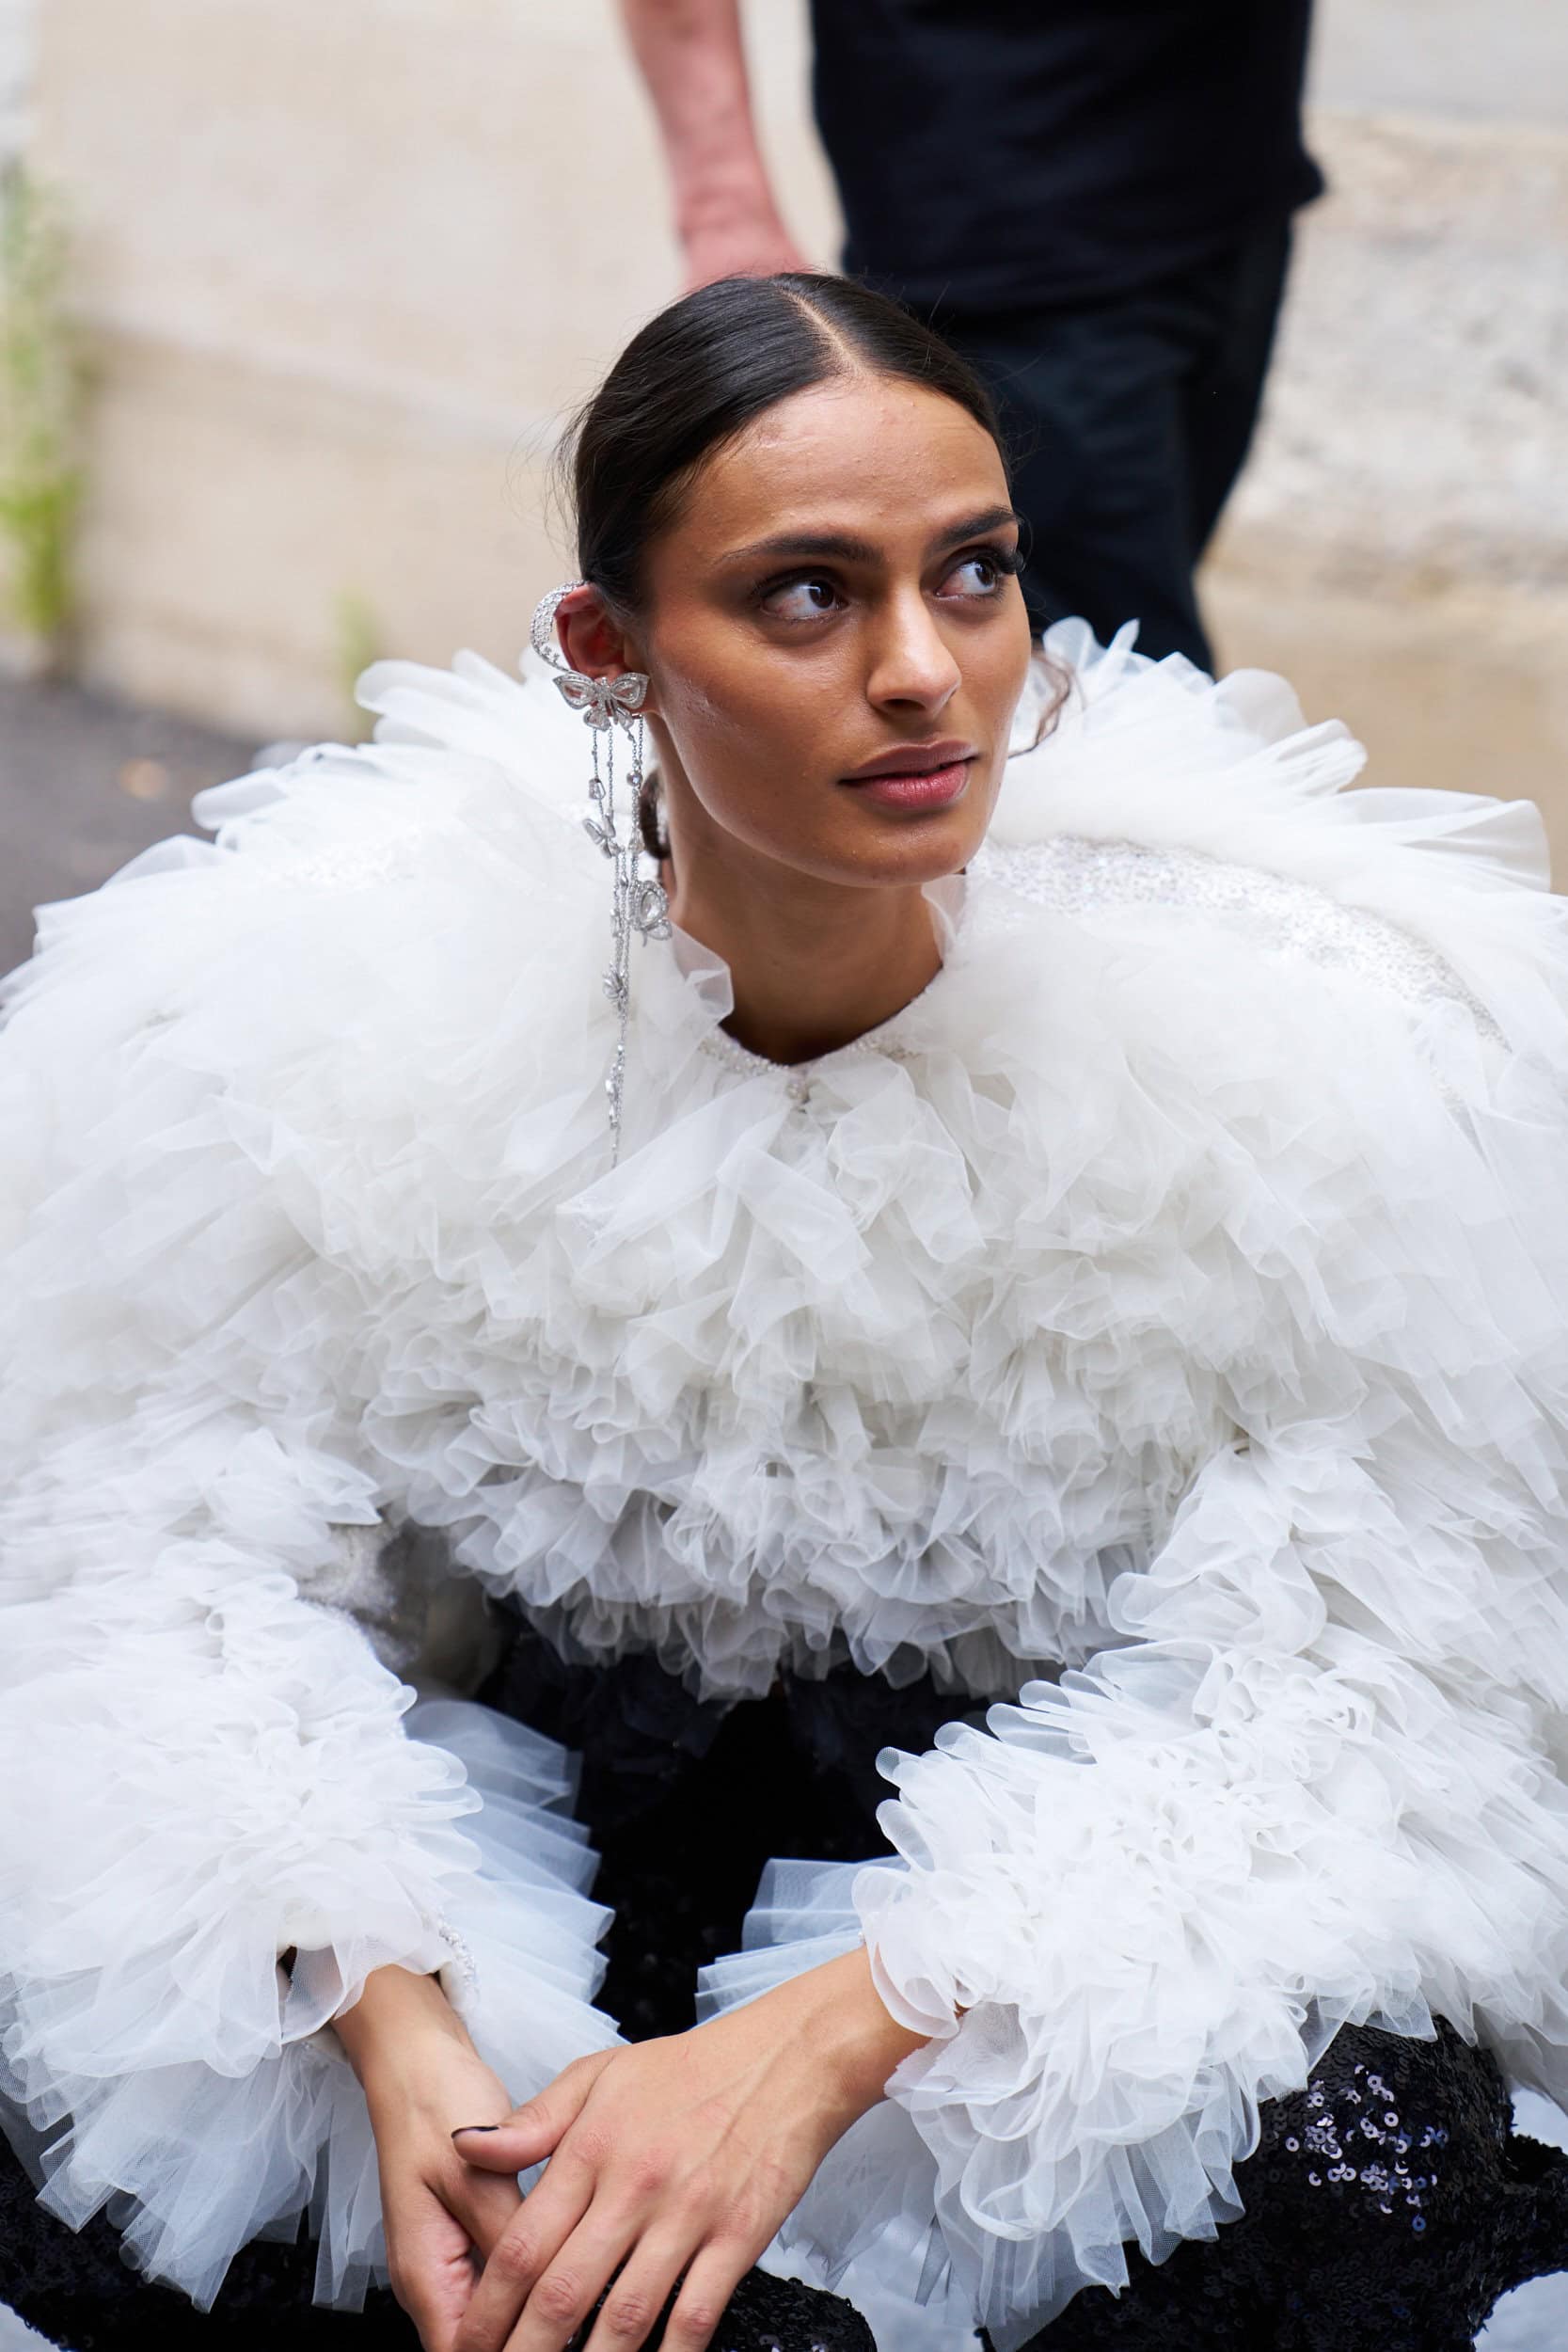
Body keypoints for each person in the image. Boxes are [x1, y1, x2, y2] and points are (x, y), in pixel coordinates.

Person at [4, 273, 1568, 2352]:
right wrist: (386, 2002)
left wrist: (861, 2020)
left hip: (1039, 1931)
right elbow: (137, 1554)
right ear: (606, 649)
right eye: (807, 595)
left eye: (974, 574)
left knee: (1360, 2190)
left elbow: (1381, 1682)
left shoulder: (1294, 1040)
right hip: (523, 1864)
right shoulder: (326, 1005)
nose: (927, 673)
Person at [620, 0, 1322, 672]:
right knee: (1122, 680)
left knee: (1094, 670)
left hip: (1229, 190)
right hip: (1012, 228)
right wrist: (722, 207)